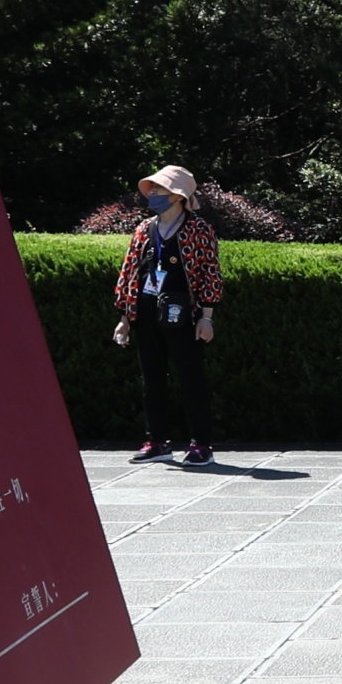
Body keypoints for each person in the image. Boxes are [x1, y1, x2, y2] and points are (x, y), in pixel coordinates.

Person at [112, 164, 225, 469]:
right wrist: (124, 317)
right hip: (146, 312)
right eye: (152, 188)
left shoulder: (198, 229)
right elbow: (129, 271)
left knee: (191, 379)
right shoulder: (143, 229)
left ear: (177, 195)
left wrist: (207, 317)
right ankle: (157, 441)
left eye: (159, 188)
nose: (153, 194)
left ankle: (201, 445)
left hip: (183, 314)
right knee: (151, 379)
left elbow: (210, 273)